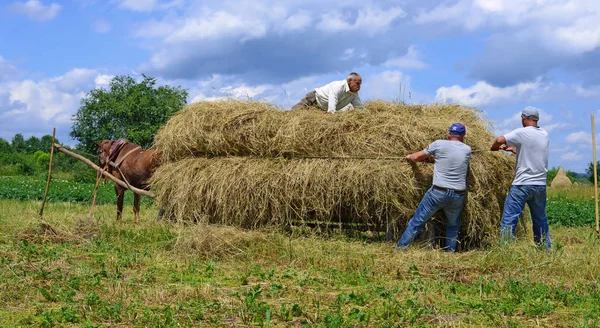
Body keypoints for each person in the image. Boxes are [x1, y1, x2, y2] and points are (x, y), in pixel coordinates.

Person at [396, 123, 472, 252]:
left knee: (417, 222)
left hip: (438, 192)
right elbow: (452, 158)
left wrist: (409, 157)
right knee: (452, 226)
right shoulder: (467, 150)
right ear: (463, 137)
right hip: (458, 195)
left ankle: (400, 249)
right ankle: (449, 253)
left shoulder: (439, 144)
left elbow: (417, 157)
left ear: (449, 134)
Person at [490, 107, 551, 250]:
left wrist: (494, 147)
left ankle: (505, 251)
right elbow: (532, 151)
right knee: (540, 219)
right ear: (537, 119)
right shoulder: (544, 134)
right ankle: (545, 249)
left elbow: (499, 139)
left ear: (523, 117)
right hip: (540, 185)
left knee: (509, 218)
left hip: (522, 184)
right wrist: (514, 150)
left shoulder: (521, 132)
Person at [291, 73, 363, 113]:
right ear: (350, 81)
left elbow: (359, 108)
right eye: (357, 83)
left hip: (322, 109)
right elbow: (333, 100)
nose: (359, 86)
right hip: (314, 99)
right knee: (295, 111)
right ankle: (285, 115)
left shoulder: (354, 94)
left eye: (360, 84)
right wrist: (331, 113)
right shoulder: (338, 86)